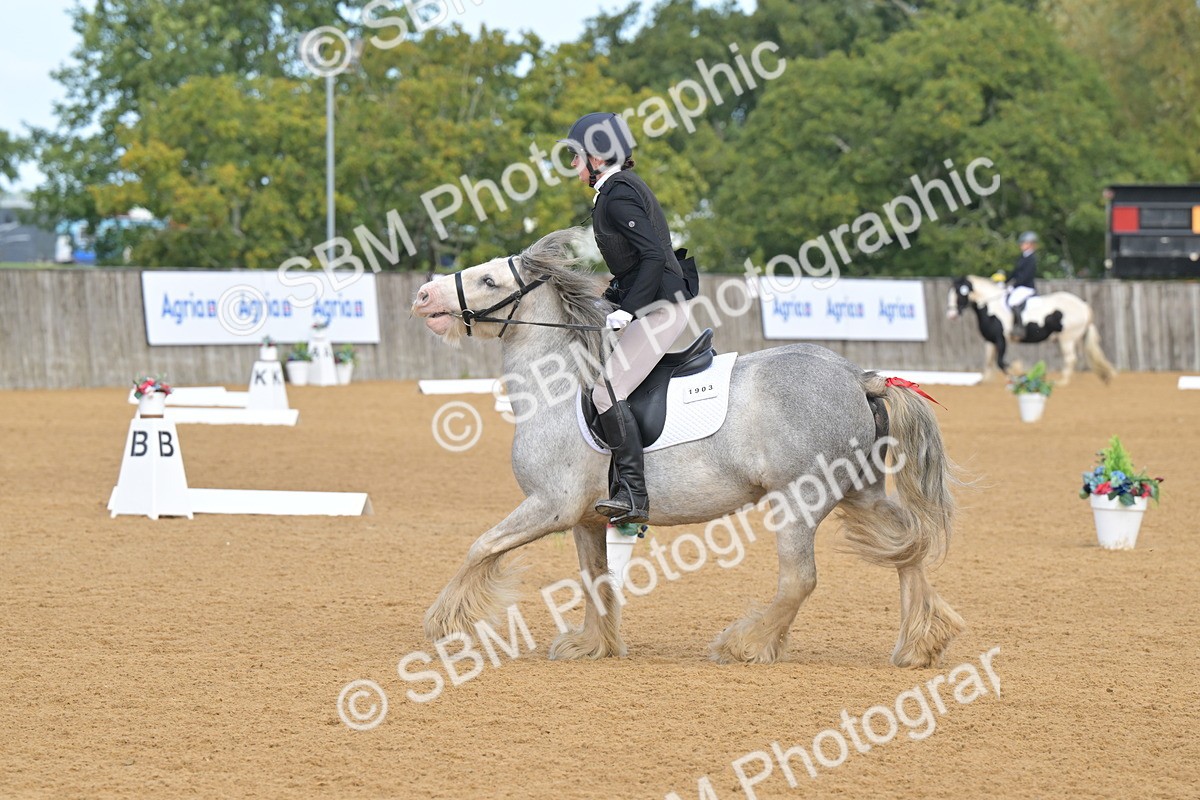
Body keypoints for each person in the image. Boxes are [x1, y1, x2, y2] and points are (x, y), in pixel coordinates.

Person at [560, 112, 694, 524]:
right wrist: (610, 299)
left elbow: (654, 256)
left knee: (605, 392)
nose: (573, 164)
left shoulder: (617, 195)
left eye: (577, 156)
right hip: (653, 299)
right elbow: (634, 265)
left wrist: (626, 311)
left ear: (598, 157)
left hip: (662, 305)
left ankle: (634, 495)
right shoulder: (612, 192)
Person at [1007, 231, 1039, 330]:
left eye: (1023, 243)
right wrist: (1005, 281)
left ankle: (1019, 327)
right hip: (1020, 287)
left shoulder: (1031, 259)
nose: (1021, 245)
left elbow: (1026, 276)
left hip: (1026, 287)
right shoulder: (1022, 257)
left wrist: (1014, 286)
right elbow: (1015, 272)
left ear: (1030, 244)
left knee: (1013, 302)